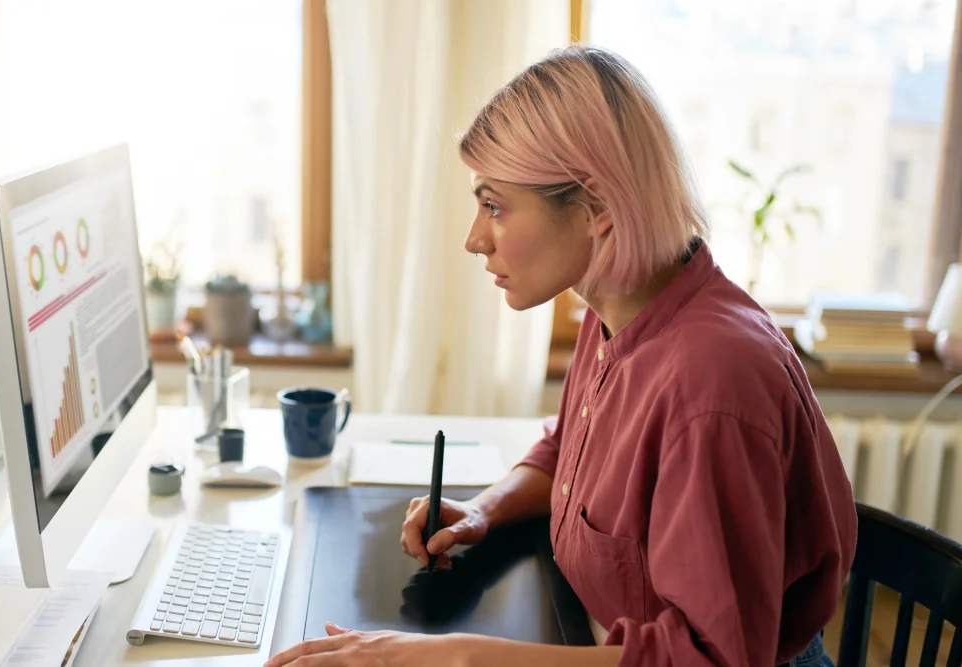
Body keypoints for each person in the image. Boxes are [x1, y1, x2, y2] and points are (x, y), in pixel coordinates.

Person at [264, 44, 857, 667]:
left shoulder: (713, 382)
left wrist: (447, 657)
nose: (474, 238)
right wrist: (483, 510)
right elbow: (568, 452)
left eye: (494, 205)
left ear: (597, 209)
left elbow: (711, 660)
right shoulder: (618, 305)